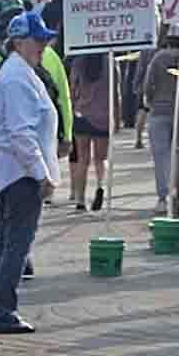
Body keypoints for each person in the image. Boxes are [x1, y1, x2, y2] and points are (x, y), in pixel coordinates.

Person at [0, 9, 64, 335]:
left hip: (11, 171)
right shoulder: (17, 78)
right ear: (19, 42)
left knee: (6, 241)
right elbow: (22, 134)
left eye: (45, 41)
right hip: (19, 173)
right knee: (16, 244)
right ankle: (1, 309)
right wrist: (41, 174)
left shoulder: (16, 72)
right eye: (38, 41)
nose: (43, 47)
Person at [142, 18, 179, 217]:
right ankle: (176, 194)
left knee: (161, 157)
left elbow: (147, 86)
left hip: (159, 112)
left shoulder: (159, 58)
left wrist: (151, 102)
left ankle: (162, 198)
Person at [64, 19, 118, 215]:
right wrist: (116, 118)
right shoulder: (109, 61)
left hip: (82, 114)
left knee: (82, 159)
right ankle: (101, 185)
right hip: (103, 115)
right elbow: (115, 92)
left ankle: (79, 199)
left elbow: (72, 89)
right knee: (101, 158)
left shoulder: (79, 61)